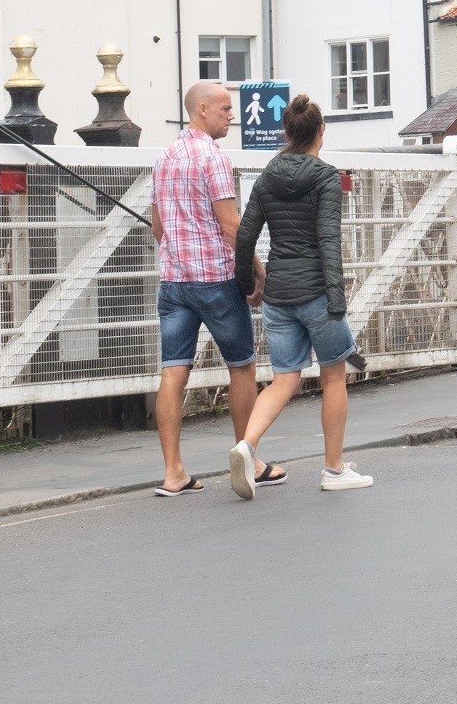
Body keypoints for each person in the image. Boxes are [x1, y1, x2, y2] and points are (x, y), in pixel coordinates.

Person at [229, 94, 372, 494]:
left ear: (287, 133)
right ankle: (334, 470)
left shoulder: (267, 175)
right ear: (320, 132)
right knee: (333, 377)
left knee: (283, 380)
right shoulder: (325, 177)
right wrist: (336, 300)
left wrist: (248, 284)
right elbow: (328, 239)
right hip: (315, 293)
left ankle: (246, 444)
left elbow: (245, 236)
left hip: (278, 295)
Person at [147, 81, 265, 494]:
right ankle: (248, 457)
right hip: (215, 279)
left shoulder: (164, 157)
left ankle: (173, 472)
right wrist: (256, 270)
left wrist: (179, 253)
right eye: (225, 109)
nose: (231, 115)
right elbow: (231, 224)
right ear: (201, 109)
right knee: (242, 366)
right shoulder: (213, 157)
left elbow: (157, 226)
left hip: (174, 282)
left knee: (173, 372)